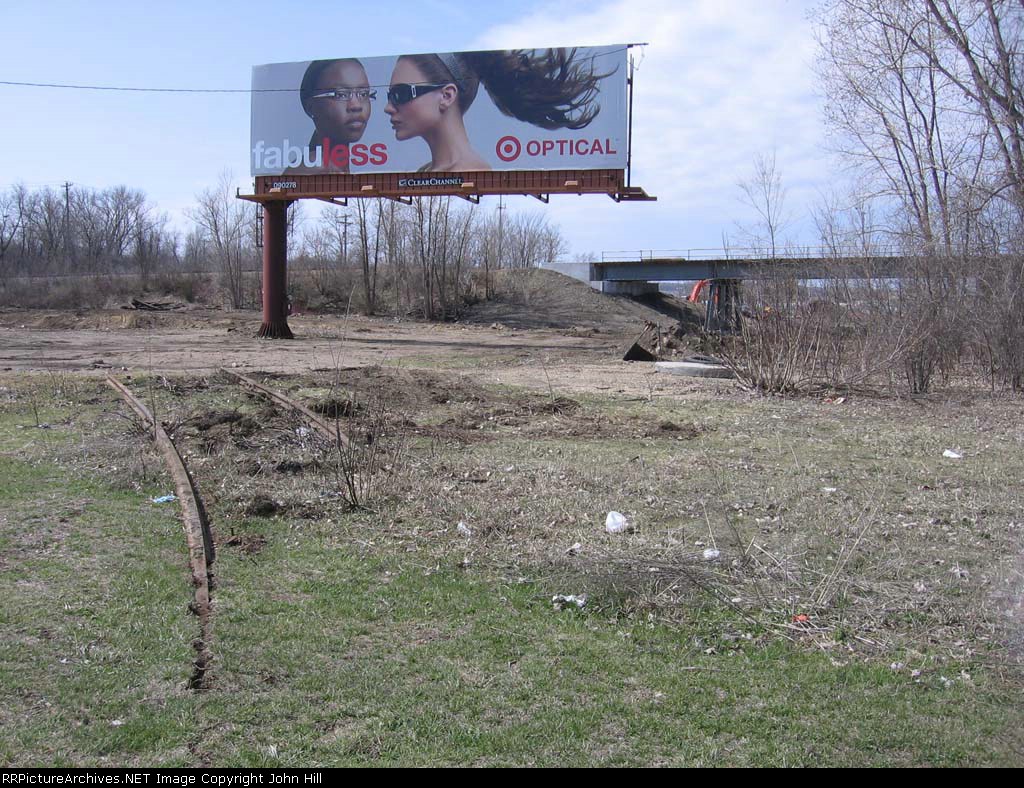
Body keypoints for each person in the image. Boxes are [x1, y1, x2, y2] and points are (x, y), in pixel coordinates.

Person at [384, 48, 611, 173]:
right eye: (388, 95)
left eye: (401, 94)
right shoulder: (426, 172)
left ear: (447, 96)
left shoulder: (472, 171)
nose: (388, 108)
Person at [289, 58, 375, 173]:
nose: (356, 105)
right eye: (341, 95)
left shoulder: (335, 166)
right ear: (310, 106)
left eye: (364, 94)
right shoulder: (315, 169)